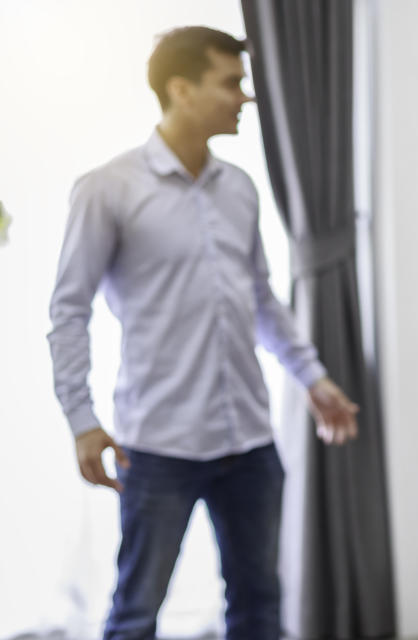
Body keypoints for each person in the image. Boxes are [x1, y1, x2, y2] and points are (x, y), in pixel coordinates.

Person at [46, 26, 358, 640]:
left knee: (260, 604)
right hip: (157, 444)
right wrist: (82, 419)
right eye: (232, 83)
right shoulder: (107, 189)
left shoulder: (239, 189)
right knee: (135, 611)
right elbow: (68, 310)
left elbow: (262, 301)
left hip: (249, 441)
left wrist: (313, 379)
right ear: (181, 89)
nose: (245, 98)